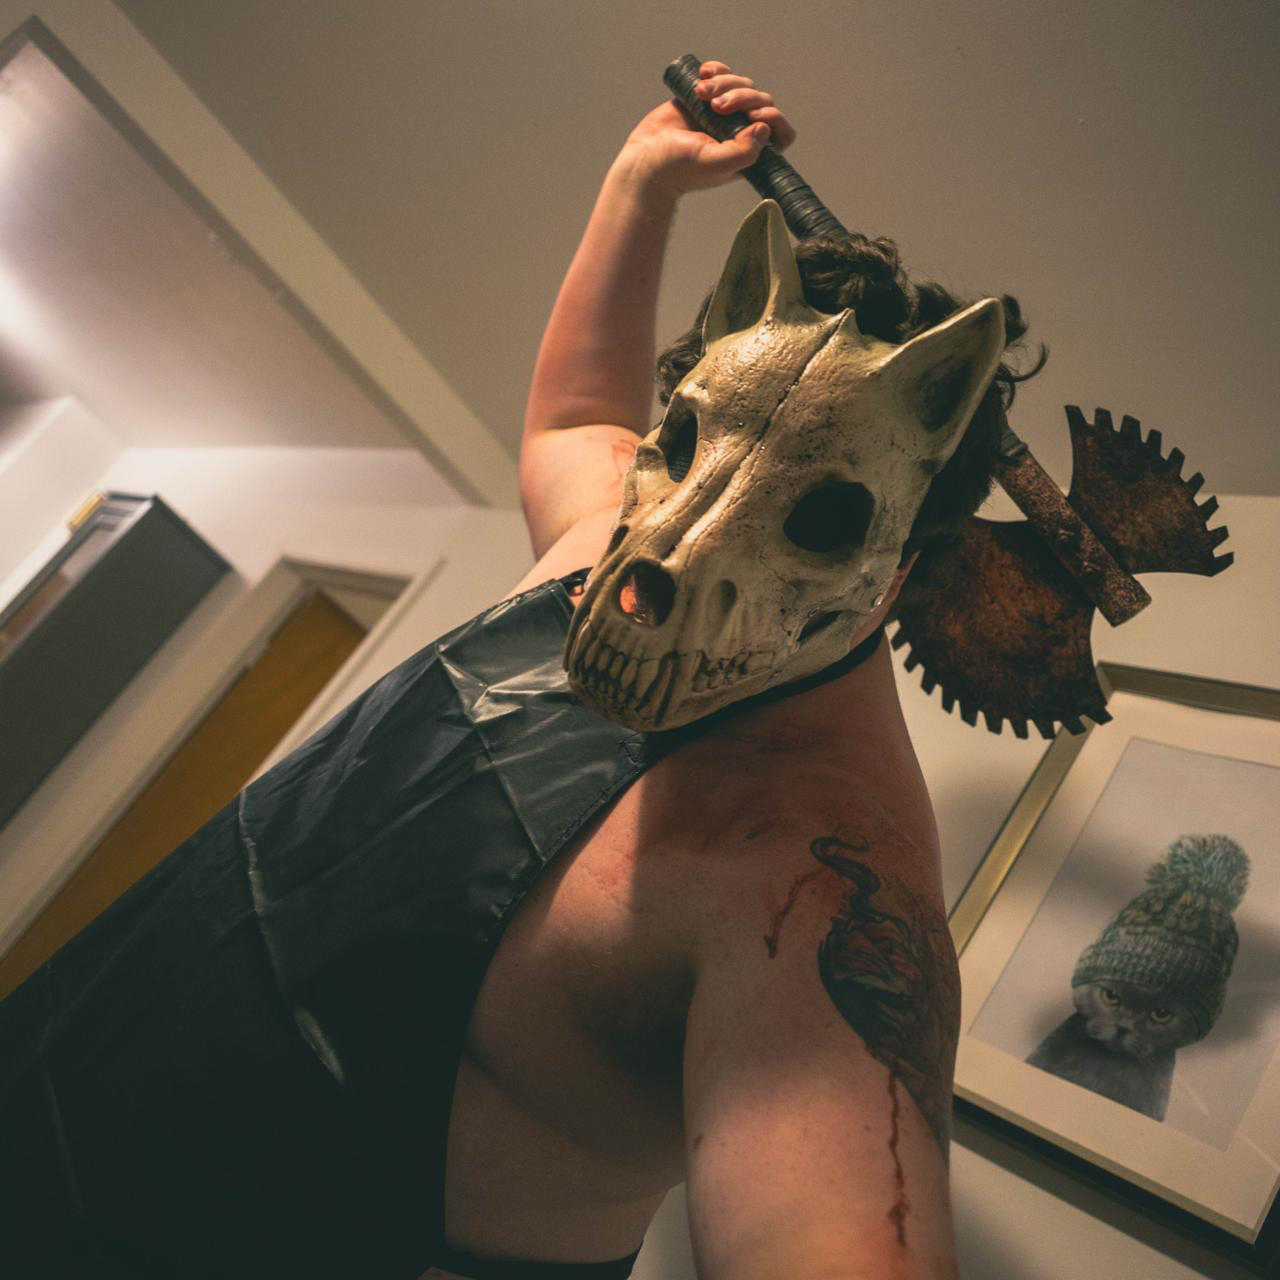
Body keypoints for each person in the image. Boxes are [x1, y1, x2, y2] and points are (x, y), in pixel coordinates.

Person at [0, 61, 1035, 1280]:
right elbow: (574, 419)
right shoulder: (602, 533)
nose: (665, 558)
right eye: (685, 441)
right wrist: (641, 183)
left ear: (900, 569)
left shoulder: (820, 883)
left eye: (807, 514)